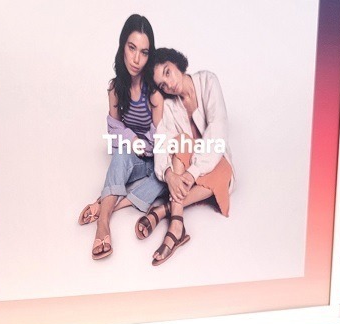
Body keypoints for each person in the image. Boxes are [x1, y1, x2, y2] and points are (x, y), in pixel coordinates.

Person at [78, 14, 168, 260]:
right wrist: (133, 140)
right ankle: (103, 224)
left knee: (164, 180)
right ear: (122, 47)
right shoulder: (115, 89)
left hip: (157, 159)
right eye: (131, 48)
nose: (137, 59)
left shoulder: (154, 93)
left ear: (150, 55)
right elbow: (115, 133)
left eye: (144, 52)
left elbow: (160, 141)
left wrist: (139, 144)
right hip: (132, 156)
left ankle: (108, 205)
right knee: (120, 155)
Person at [138, 47, 234, 266]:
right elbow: (162, 140)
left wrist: (193, 172)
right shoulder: (170, 106)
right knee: (180, 140)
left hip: (212, 161)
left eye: (168, 72)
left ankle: (164, 210)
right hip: (185, 168)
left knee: (224, 176)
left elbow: (218, 127)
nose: (169, 84)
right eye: (162, 85)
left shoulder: (208, 81)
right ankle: (177, 224)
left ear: (176, 63)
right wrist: (169, 174)